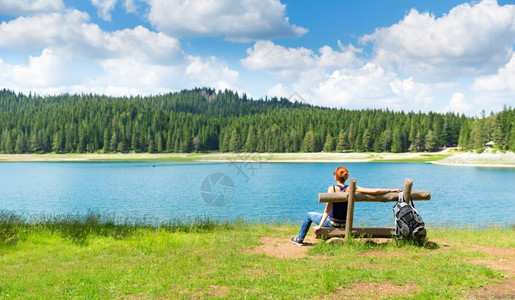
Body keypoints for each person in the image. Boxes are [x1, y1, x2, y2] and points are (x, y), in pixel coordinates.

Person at [290, 166, 401, 246]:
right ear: (345, 177)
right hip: (345, 223)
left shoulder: (332, 188)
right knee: (315, 215)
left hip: (333, 223)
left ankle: (299, 239)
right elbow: (374, 191)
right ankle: (299, 238)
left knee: (309, 215)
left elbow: (328, 209)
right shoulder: (352, 188)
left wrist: (320, 226)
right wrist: (391, 190)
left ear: (336, 176)